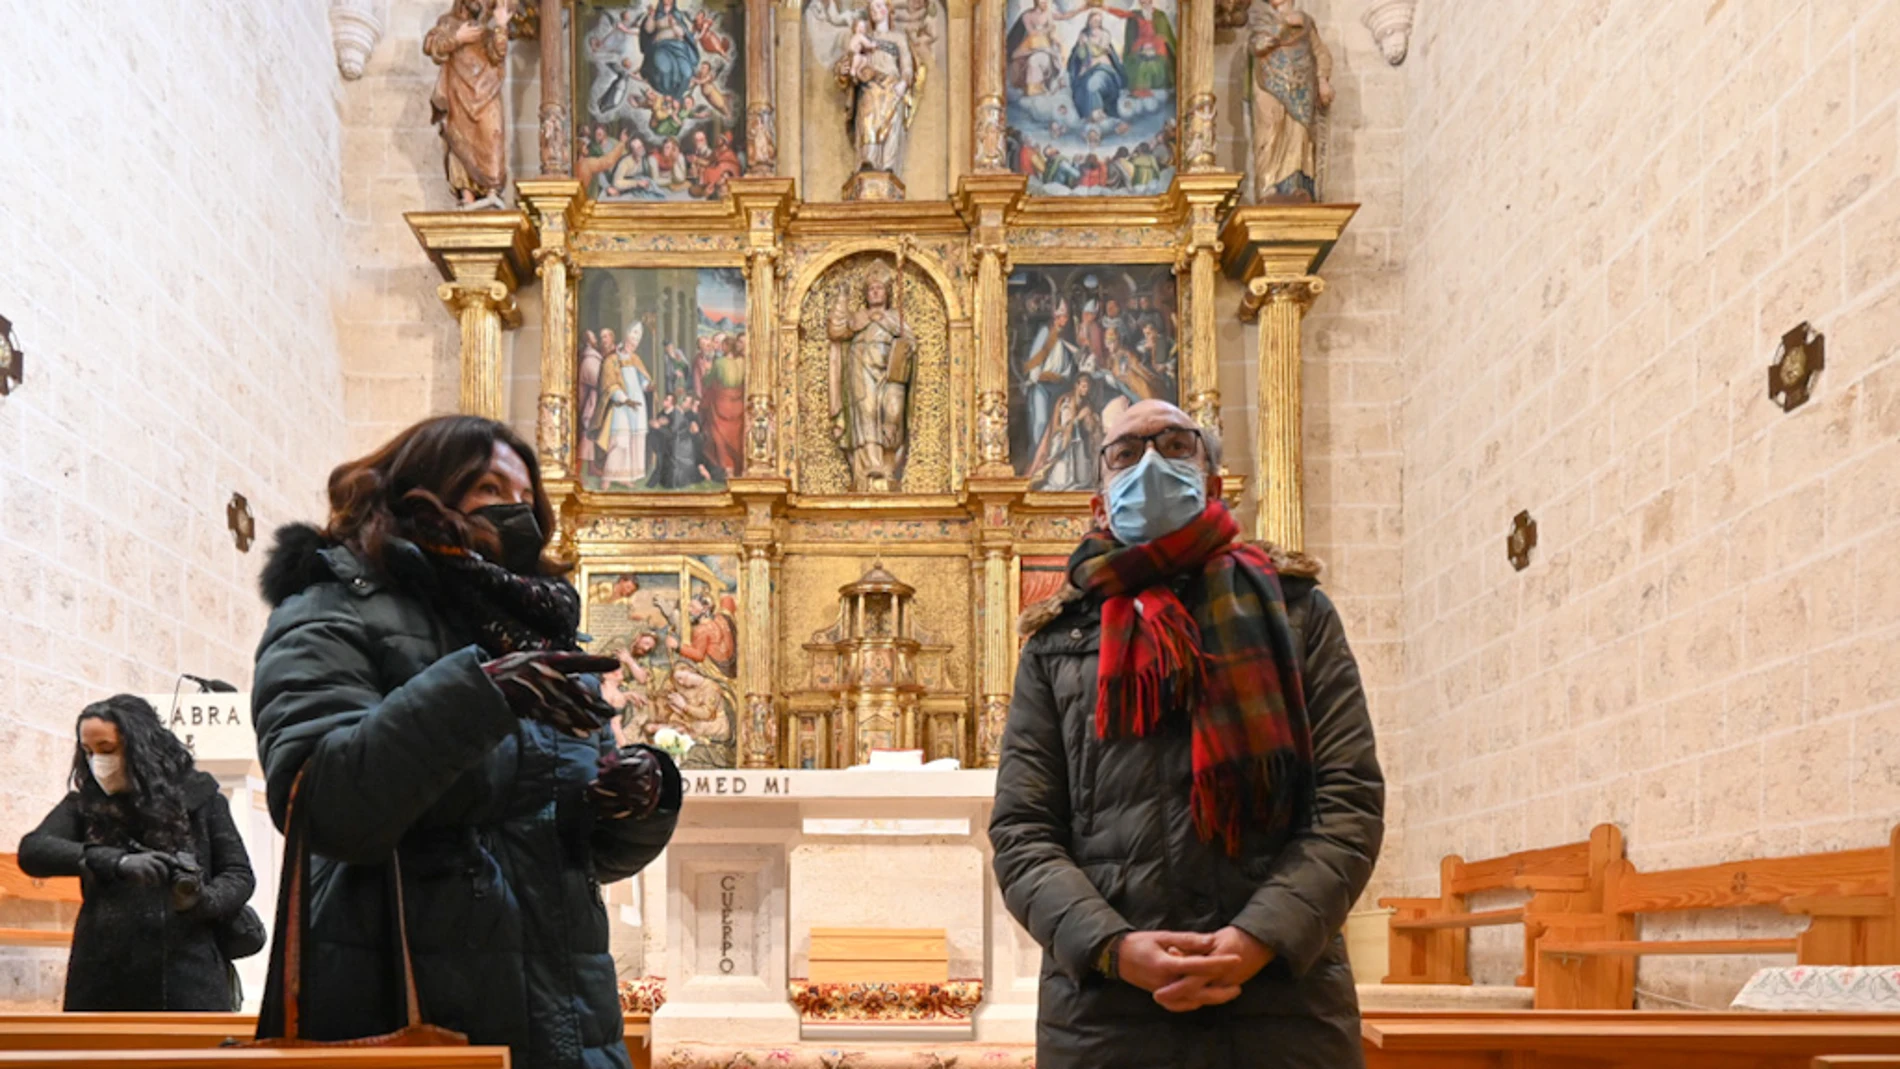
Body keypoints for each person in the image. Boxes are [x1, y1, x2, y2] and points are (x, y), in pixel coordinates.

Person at [251, 415, 680, 1069]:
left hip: (566, 1022)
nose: (514, 506)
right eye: (487, 484)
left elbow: (573, 851)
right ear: (424, 485)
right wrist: (482, 694)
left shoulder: (539, 634)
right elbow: (324, 804)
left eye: (525, 495)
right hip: (409, 1012)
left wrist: (634, 800)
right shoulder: (331, 608)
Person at [991, 399, 1384, 1069]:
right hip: (1108, 1014)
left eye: (1174, 444)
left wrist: (1260, 936)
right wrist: (1113, 947)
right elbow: (1023, 831)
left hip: (1279, 1003)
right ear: (1098, 502)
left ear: (1210, 481)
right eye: (1125, 452)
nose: (1149, 463)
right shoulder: (1055, 642)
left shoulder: (1298, 613)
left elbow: (1347, 801)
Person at [18, 695, 257, 1012]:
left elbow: (238, 874)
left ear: (140, 745)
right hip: (103, 972)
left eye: (107, 749)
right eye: (88, 752)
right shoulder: (83, 804)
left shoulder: (200, 797)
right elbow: (34, 851)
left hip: (188, 970)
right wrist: (112, 860)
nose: (96, 762)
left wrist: (202, 900)